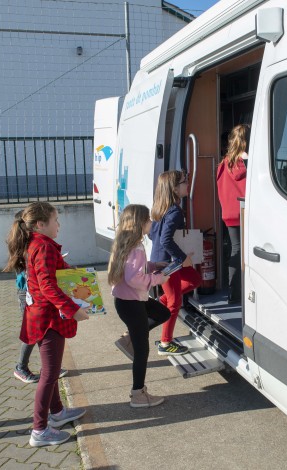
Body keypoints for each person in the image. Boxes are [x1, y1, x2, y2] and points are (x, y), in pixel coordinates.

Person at [5, 202, 90, 447]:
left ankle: (58, 412)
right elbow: (47, 286)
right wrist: (72, 310)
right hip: (48, 318)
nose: (59, 225)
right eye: (56, 220)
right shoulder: (42, 247)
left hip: (43, 315)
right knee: (50, 374)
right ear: (41, 225)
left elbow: (50, 277)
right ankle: (39, 430)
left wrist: (69, 272)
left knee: (49, 370)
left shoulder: (38, 244)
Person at [109, 204, 171, 407]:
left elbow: (133, 270)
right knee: (142, 351)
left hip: (130, 301)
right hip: (132, 303)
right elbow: (134, 278)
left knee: (162, 313)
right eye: (148, 220)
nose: (151, 223)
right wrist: (157, 280)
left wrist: (153, 266)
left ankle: (128, 338)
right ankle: (138, 394)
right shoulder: (135, 247)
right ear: (140, 223)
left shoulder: (127, 243)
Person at [5, 210, 67, 384]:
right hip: (28, 293)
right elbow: (37, 275)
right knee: (34, 332)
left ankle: (49, 366)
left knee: (41, 332)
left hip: (30, 292)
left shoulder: (31, 243)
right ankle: (21, 367)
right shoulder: (29, 245)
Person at [149, 170, 201, 356]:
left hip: (163, 261)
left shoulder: (160, 209)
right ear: (174, 189)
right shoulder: (174, 211)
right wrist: (182, 258)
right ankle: (165, 343)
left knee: (194, 280)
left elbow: (152, 234)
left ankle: (158, 304)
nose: (187, 184)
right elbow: (165, 240)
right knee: (175, 302)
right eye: (184, 182)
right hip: (168, 264)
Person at [216, 124, 249, 303]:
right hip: (244, 212)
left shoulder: (224, 163)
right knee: (245, 253)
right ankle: (240, 293)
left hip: (229, 213)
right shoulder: (246, 162)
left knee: (235, 251)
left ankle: (233, 293)